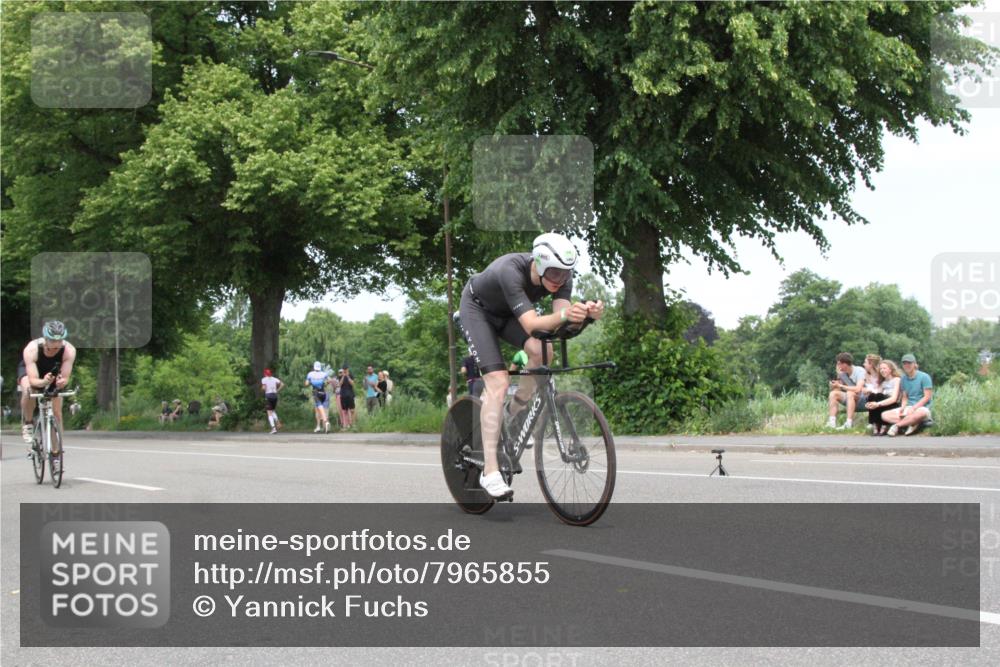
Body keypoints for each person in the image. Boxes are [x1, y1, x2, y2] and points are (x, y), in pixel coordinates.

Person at [457, 232, 604, 498]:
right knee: (499, 382)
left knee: (544, 352)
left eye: (566, 274)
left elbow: (560, 327)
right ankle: (490, 471)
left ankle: (514, 412)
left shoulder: (562, 282)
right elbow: (533, 325)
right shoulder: (510, 270)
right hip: (478, 311)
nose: (561, 281)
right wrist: (564, 313)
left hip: (509, 315)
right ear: (540, 263)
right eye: (556, 273)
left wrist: (585, 317)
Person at [18, 321, 77, 449]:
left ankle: (56, 452)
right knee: (29, 389)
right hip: (32, 371)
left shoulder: (69, 350)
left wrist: (62, 381)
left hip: (52, 371)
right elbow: (33, 380)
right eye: (52, 341)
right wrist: (43, 382)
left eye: (60, 340)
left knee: (57, 413)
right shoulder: (32, 349)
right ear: (45, 339)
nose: (56, 344)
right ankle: (28, 422)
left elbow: (65, 377)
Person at [883, 354, 934, 437]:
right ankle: (913, 423)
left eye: (909, 363)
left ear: (914, 364)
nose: (907, 365)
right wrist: (903, 408)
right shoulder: (903, 378)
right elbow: (905, 397)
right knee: (884, 415)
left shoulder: (924, 377)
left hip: (922, 407)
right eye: (904, 363)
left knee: (921, 413)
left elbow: (927, 397)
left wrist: (914, 408)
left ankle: (897, 426)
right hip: (909, 407)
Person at [826, 352, 866, 430]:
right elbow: (838, 389)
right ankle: (832, 423)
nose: (837, 366)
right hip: (850, 398)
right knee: (833, 394)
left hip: (863, 398)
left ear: (844, 364)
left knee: (850, 393)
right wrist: (835, 384)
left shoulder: (859, 371)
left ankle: (848, 423)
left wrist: (840, 385)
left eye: (839, 364)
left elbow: (858, 389)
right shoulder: (842, 373)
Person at [865, 360, 901, 436]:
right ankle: (875, 425)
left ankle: (884, 426)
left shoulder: (896, 380)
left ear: (890, 369)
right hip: (883, 403)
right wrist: (869, 403)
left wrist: (877, 404)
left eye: (884, 368)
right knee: (873, 396)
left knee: (879, 396)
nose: (882, 370)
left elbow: (894, 398)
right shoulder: (883, 382)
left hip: (893, 403)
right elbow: (876, 395)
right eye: (881, 369)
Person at [305, 361, 331, 433]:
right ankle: (318, 426)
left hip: (316, 393)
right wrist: (325, 383)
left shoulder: (310, 374)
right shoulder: (324, 374)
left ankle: (325, 422)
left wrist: (311, 382)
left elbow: (306, 384)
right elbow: (330, 380)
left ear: (314, 367)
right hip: (323, 393)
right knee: (317, 409)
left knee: (320, 408)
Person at [260, 369, 284, 434]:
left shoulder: (264, 379)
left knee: (269, 412)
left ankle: (273, 428)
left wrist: (262, 388)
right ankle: (277, 422)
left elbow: (264, 388)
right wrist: (277, 390)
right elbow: (282, 384)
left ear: (265, 374)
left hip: (268, 396)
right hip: (275, 396)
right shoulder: (275, 379)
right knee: (272, 410)